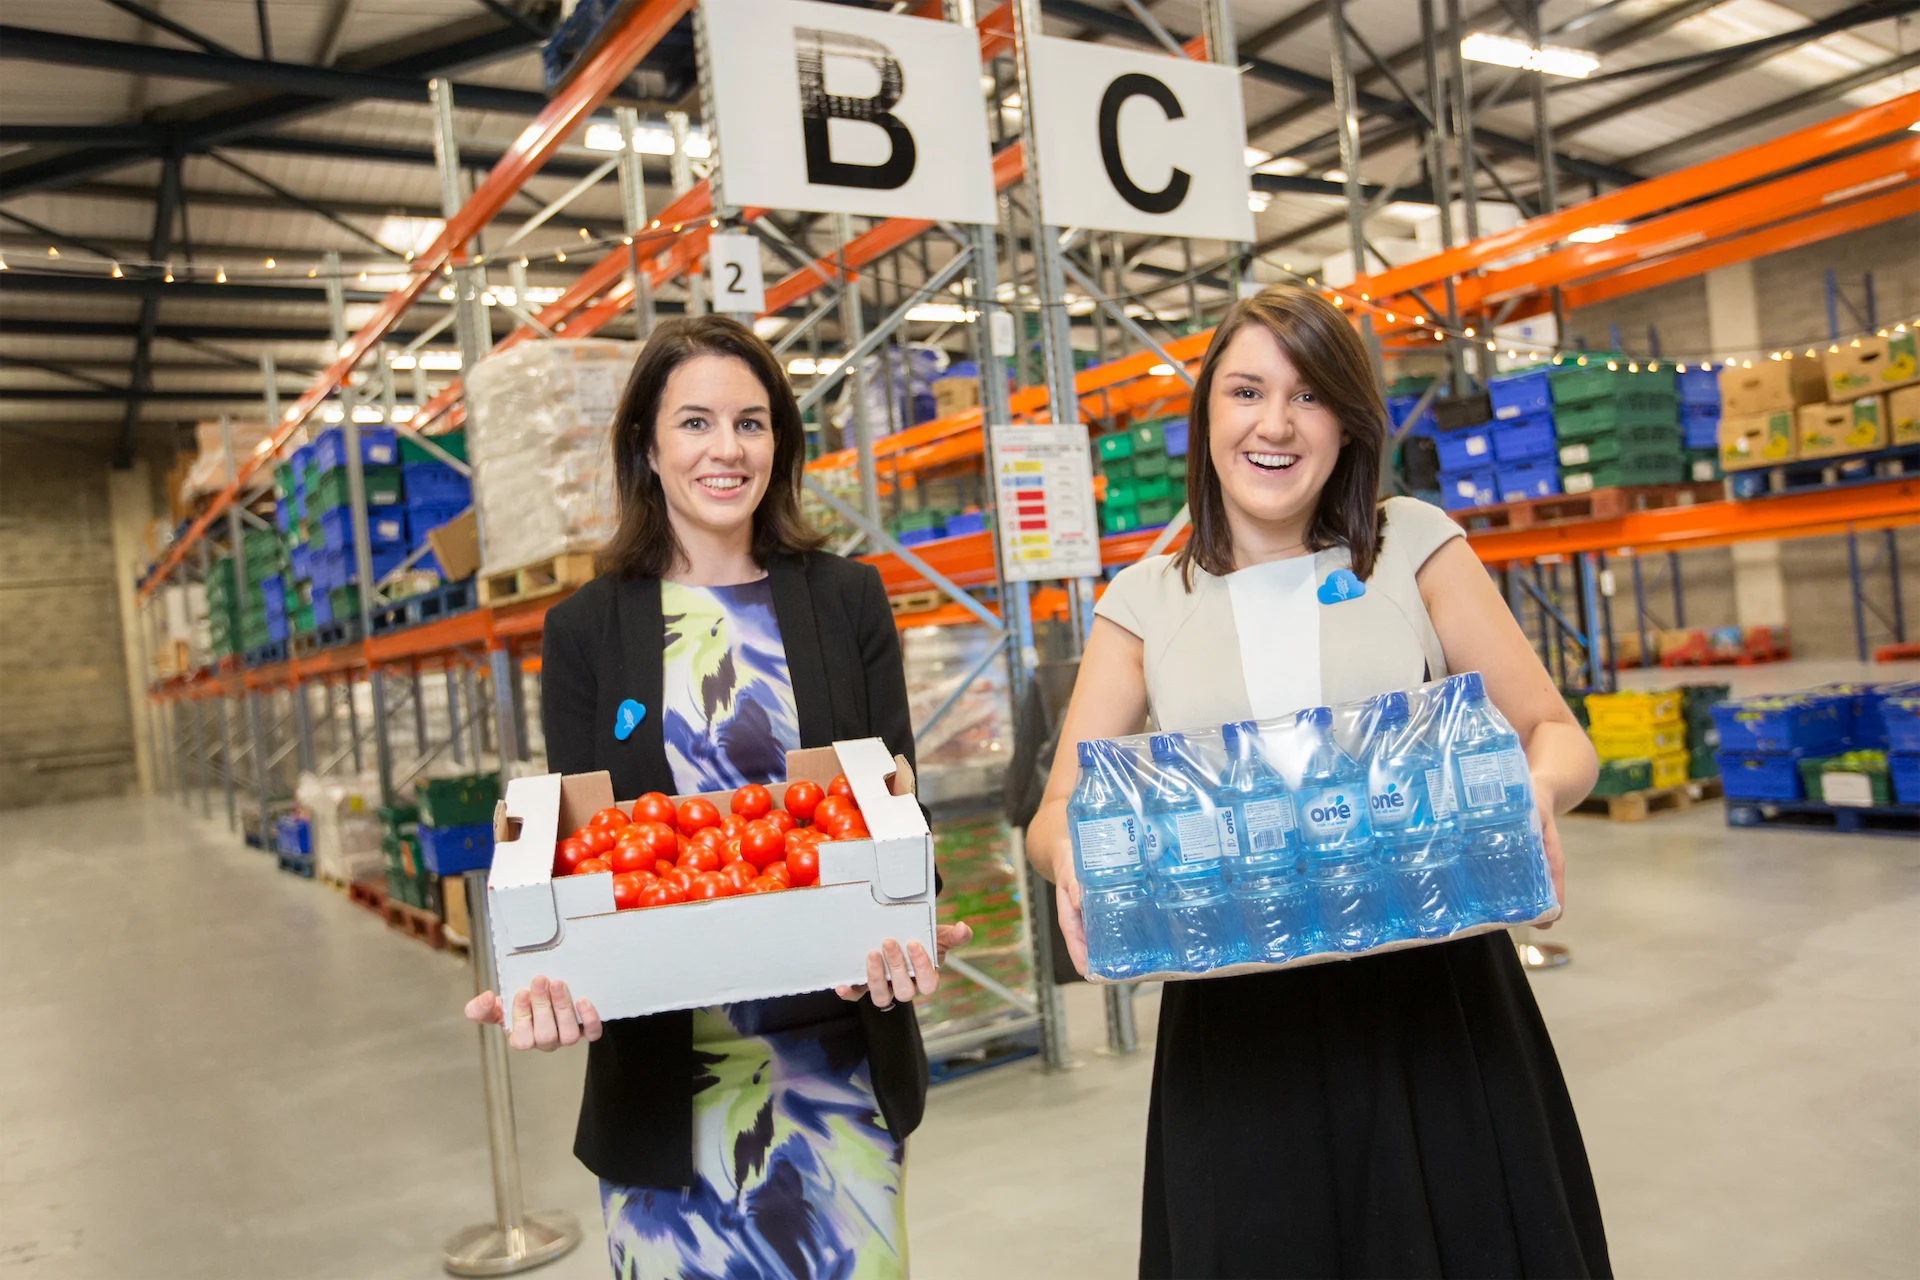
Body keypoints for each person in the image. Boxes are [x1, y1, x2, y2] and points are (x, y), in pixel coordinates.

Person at [1026, 286, 1612, 1280]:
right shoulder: (1145, 601)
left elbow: (1557, 733)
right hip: (1238, 1033)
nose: (1275, 424)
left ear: (1348, 422)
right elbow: (1056, 812)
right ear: (1207, 415)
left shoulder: (1412, 547)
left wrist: (1535, 791)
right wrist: (1072, 855)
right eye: (1247, 391)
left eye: (1308, 395)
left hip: (1433, 1003)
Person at [464, 314, 971, 1279]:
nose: (726, 449)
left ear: (780, 441)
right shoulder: (585, 630)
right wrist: (548, 973)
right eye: (694, 423)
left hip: (833, 1074)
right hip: (666, 1085)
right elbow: (583, 855)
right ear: (647, 447)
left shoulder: (847, 599)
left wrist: (913, 916)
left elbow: (896, 804)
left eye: (751, 422)